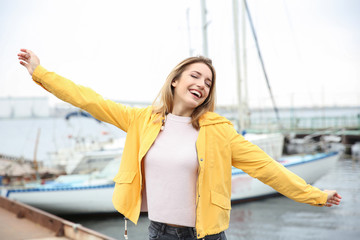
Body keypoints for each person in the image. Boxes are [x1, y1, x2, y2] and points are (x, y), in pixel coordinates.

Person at [18, 49, 341, 240]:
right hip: (159, 232)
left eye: (208, 82)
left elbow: (268, 168)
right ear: (176, 79)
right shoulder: (141, 120)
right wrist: (41, 73)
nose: (201, 84)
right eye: (195, 76)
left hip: (205, 235)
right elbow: (89, 99)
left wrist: (315, 195)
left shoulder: (218, 131)